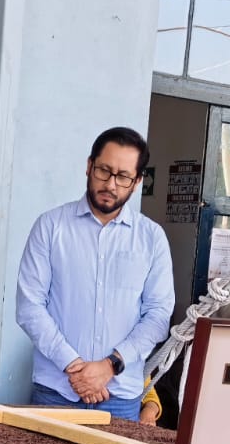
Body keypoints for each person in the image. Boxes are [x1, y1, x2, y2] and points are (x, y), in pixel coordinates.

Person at [16, 127, 175, 421]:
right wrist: (74, 367)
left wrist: (110, 366)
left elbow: (158, 316)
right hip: (56, 392)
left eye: (123, 177)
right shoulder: (50, 226)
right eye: (104, 171)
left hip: (120, 398)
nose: (111, 184)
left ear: (137, 181)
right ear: (89, 166)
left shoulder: (151, 238)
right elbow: (29, 307)